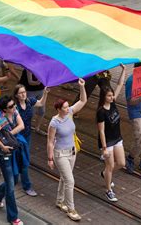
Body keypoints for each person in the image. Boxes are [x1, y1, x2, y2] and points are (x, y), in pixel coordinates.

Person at [47, 78, 87, 221]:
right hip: (60, 154)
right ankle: (71, 209)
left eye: (68, 106)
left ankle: (59, 201)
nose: (67, 108)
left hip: (72, 151)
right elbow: (50, 141)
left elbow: (82, 101)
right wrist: (50, 158)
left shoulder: (70, 112)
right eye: (64, 107)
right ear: (58, 109)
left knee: (65, 178)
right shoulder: (54, 122)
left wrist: (81, 87)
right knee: (70, 181)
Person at [0, 96, 27, 225]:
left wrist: (10, 135)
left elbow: (22, 125)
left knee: (14, 179)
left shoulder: (14, 112)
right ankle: (13, 217)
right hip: (5, 156)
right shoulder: (3, 120)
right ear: (5, 109)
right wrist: (3, 146)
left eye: (14, 104)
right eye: (11, 106)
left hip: (14, 152)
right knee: (11, 187)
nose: (14, 107)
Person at [97, 64, 127, 202]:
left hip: (117, 138)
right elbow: (101, 131)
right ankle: (108, 190)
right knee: (110, 165)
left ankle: (104, 174)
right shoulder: (101, 112)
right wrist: (104, 149)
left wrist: (124, 71)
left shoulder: (113, 103)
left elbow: (120, 84)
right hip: (107, 141)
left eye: (112, 95)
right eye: (109, 96)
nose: (112, 97)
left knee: (121, 163)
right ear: (104, 97)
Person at [13, 84, 49, 196]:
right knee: (23, 161)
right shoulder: (14, 107)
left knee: (21, 158)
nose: (23, 94)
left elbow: (41, 103)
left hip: (27, 135)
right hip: (17, 136)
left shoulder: (29, 101)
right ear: (16, 95)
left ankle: (14, 178)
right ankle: (27, 186)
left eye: (24, 92)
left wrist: (46, 93)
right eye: (21, 93)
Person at [19, 69, 47, 135]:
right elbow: (30, 82)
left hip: (41, 90)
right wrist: (40, 80)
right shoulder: (29, 67)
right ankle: (24, 127)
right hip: (30, 91)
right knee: (30, 111)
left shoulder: (43, 67)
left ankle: (37, 128)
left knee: (42, 111)